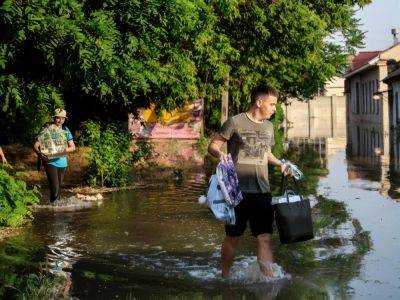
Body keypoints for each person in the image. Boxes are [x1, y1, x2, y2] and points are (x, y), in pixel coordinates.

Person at [208, 84, 287, 278]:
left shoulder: (269, 127)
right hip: (236, 192)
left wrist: (280, 164)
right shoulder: (234, 122)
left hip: (262, 192)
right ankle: (225, 276)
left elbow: (266, 153)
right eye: (272, 104)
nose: (274, 108)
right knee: (233, 237)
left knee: (265, 237)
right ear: (259, 102)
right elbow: (213, 145)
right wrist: (220, 154)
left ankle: (268, 281)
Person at [33, 109, 76, 203]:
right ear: (54, 118)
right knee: (55, 190)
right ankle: (54, 213)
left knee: (57, 191)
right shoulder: (47, 129)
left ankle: (56, 212)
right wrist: (39, 153)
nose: (60, 121)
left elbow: (73, 147)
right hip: (50, 162)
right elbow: (36, 146)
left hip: (62, 162)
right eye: (58, 118)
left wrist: (61, 150)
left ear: (65, 119)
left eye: (62, 119)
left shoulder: (65, 130)